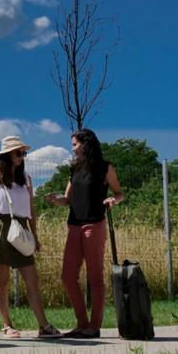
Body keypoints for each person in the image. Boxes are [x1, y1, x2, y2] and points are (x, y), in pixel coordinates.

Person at [0, 136, 64, 339]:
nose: (22, 156)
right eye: (18, 153)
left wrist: (35, 236)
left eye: (23, 153)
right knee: (3, 281)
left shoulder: (27, 180)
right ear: (7, 155)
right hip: (1, 229)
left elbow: (31, 210)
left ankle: (43, 325)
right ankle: (7, 325)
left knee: (32, 280)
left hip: (21, 229)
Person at [47, 128, 124, 338]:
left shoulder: (104, 167)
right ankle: (81, 323)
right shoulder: (74, 168)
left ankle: (94, 326)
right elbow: (67, 199)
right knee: (68, 276)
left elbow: (119, 193)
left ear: (86, 143)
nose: (72, 148)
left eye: (74, 144)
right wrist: (57, 200)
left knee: (94, 277)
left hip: (94, 224)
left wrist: (112, 200)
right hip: (74, 225)